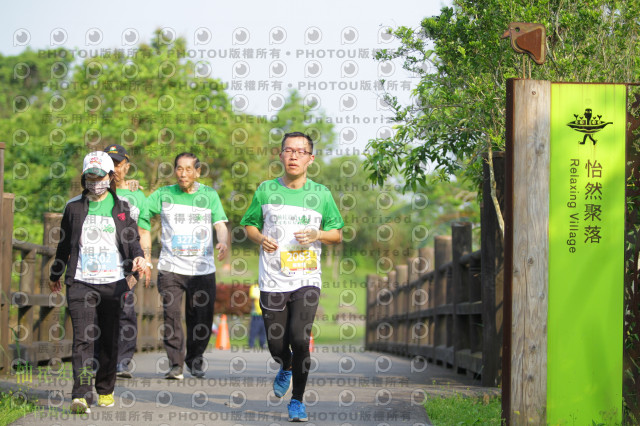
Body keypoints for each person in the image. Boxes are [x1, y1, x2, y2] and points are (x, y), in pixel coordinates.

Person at [241, 132, 344, 422]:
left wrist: (317, 234)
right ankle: (285, 364)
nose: (294, 156)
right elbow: (249, 225)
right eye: (289, 150)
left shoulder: (321, 194)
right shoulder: (266, 190)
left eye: (301, 151)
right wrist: (261, 238)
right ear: (281, 155)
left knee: (300, 338)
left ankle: (297, 401)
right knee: (276, 344)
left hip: (306, 278)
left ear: (311, 158)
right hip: (273, 278)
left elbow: (337, 234)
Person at [49, 151, 146, 414]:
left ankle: (105, 388)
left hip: (114, 282)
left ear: (110, 176)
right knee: (83, 338)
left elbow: (133, 242)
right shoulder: (73, 207)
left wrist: (139, 258)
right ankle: (80, 395)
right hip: (81, 281)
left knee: (109, 338)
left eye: (99, 177)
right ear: (84, 178)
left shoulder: (123, 208)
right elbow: (64, 246)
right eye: (90, 177)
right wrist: (55, 274)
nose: (95, 182)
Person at [147, 152, 229, 380]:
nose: (183, 174)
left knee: (201, 317)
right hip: (170, 268)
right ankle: (175, 364)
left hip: (202, 269)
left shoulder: (209, 195)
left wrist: (222, 241)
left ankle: (195, 358)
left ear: (197, 172)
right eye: (179, 169)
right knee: (171, 316)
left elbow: (220, 224)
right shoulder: (163, 194)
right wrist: (130, 189)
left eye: (188, 169)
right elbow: (140, 210)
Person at [103, 144, 152, 378]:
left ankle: (122, 362)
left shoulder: (137, 195)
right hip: (100, 261)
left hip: (128, 265)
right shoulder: (95, 191)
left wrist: (146, 260)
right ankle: (101, 359)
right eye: (109, 163)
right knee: (99, 310)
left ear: (126, 167)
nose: (114, 168)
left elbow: (143, 231)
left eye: (118, 164)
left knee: (126, 308)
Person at [248, 283, 266, 349]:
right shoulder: (254, 287)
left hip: (264, 313)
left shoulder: (266, 287)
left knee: (263, 329)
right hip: (256, 313)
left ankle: (262, 344)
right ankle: (251, 344)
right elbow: (254, 297)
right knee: (254, 329)